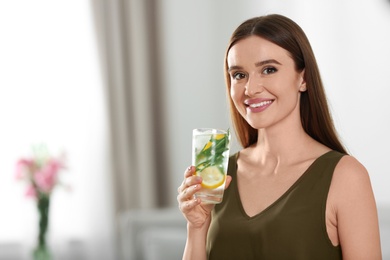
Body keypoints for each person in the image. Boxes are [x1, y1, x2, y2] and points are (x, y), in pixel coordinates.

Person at [177, 14, 382, 260]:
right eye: (239, 75)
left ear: (303, 78)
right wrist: (197, 226)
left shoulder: (346, 176)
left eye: (268, 70)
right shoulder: (218, 173)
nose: (250, 89)